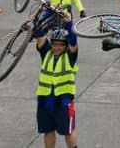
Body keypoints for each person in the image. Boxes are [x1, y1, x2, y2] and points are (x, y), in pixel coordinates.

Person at [35, 14, 79, 148]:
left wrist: (69, 23)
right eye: (54, 44)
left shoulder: (70, 57)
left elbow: (73, 42)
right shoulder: (47, 52)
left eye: (60, 45)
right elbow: (40, 33)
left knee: (68, 132)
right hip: (45, 101)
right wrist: (48, 13)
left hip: (63, 103)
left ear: (65, 46)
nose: (56, 47)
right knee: (47, 132)